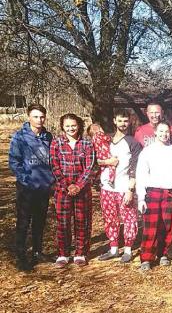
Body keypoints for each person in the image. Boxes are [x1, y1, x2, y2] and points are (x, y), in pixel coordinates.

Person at [9, 104, 55, 271]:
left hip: (44, 188)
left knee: (39, 222)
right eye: (35, 116)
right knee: (23, 223)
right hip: (27, 188)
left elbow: (52, 160)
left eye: (42, 116)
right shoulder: (20, 137)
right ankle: (21, 257)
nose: (39, 120)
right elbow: (14, 162)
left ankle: (37, 251)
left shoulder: (48, 136)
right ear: (29, 117)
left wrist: (51, 181)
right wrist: (25, 180)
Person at [96, 110, 142, 263]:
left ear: (129, 123)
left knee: (129, 219)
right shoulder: (105, 140)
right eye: (120, 120)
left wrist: (130, 189)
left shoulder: (133, 142)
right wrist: (106, 162)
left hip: (124, 187)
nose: (123, 124)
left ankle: (128, 249)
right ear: (114, 121)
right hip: (107, 187)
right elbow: (94, 160)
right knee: (110, 218)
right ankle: (114, 248)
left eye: (126, 121)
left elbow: (135, 167)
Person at [50, 113, 95, 268]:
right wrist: (66, 185)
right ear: (63, 127)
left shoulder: (87, 144)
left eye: (74, 125)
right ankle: (63, 254)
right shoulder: (56, 143)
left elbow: (89, 167)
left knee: (82, 222)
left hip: (82, 191)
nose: (71, 128)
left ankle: (80, 253)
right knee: (63, 223)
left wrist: (78, 186)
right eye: (67, 126)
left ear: (79, 126)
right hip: (63, 190)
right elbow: (54, 165)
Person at [136, 121, 172, 271]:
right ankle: (147, 257)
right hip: (153, 192)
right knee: (151, 226)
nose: (164, 134)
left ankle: (164, 253)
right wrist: (141, 197)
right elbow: (141, 175)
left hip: (170, 192)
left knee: (168, 225)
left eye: (167, 132)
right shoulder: (148, 151)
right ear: (155, 132)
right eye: (161, 131)